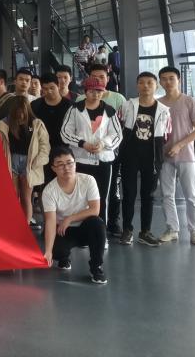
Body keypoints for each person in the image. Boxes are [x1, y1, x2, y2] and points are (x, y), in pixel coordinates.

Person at [60, 77, 123, 225]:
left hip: (103, 161)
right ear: (85, 92)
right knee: (80, 198)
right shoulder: (75, 109)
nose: (96, 94)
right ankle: (81, 231)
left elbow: (117, 134)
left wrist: (103, 144)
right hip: (80, 160)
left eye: (99, 91)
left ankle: (100, 232)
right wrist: (82, 143)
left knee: (101, 198)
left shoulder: (109, 110)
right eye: (92, 91)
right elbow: (65, 132)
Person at [41, 146, 108, 285]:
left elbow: (95, 209)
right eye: (60, 164)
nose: (66, 168)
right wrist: (48, 251)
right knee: (56, 250)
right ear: (53, 168)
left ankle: (96, 267)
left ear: (75, 163)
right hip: (63, 230)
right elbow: (50, 221)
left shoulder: (88, 180)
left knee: (98, 224)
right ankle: (64, 257)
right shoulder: (49, 191)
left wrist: (70, 218)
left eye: (69, 163)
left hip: (85, 227)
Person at [118, 72, 170, 247]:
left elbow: (167, 134)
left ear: (156, 86)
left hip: (152, 158)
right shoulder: (127, 106)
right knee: (129, 193)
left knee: (148, 195)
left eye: (149, 82)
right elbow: (118, 127)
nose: (145, 86)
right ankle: (127, 229)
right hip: (129, 156)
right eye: (141, 82)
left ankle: (145, 231)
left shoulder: (164, 110)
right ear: (137, 85)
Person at [156, 66, 195, 246]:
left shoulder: (189, 101)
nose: (168, 82)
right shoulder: (158, 104)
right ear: (160, 82)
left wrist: (179, 145)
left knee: (191, 195)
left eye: (171, 78)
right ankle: (172, 229)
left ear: (179, 80)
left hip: (186, 155)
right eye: (164, 79)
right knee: (167, 195)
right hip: (164, 157)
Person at [0, 96, 50, 228]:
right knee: (12, 196)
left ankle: (25, 226)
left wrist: (35, 163)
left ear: (28, 110)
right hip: (11, 162)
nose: (21, 115)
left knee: (26, 197)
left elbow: (45, 146)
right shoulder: (4, 123)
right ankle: (12, 224)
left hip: (30, 163)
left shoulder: (36, 123)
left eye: (23, 112)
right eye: (18, 112)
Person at [31, 74, 73, 151]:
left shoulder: (70, 105)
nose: (49, 91)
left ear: (58, 86)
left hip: (65, 148)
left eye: (52, 88)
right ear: (41, 88)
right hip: (42, 148)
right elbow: (31, 126)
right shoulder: (35, 105)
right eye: (45, 89)